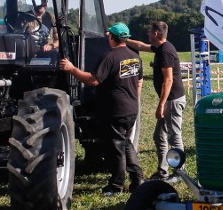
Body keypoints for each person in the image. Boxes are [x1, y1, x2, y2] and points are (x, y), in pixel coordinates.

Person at [59, 23, 144, 196]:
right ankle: (137, 178)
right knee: (125, 142)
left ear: (112, 38)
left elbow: (94, 80)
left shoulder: (110, 57)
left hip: (116, 110)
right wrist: (132, 100)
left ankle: (116, 185)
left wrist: (72, 69)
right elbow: (140, 82)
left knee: (116, 147)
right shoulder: (134, 56)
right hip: (131, 108)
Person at [127, 21, 186, 183]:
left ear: (155, 34)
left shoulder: (166, 51)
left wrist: (161, 105)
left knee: (174, 136)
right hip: (169, 100)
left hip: (172, 101)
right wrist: (124, 40)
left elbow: (168, 81)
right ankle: (163, 171)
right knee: (159, 136)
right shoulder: (160, 48)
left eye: (149, 31)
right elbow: (141, 46)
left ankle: (180, 172)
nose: (147, 33)